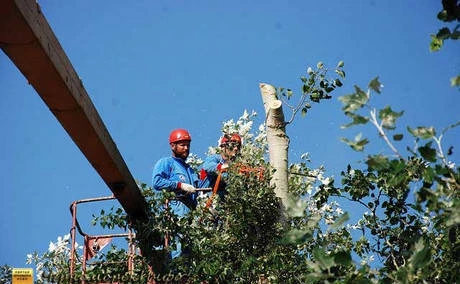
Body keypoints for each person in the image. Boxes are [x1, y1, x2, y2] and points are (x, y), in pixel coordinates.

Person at [151, 128, 199, 258]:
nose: (186, 148)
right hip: (176, 207)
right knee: (177, 246)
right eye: (182, 145)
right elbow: (157, 182)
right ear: (173, 146)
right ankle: (174, 275)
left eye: (188, 145)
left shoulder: (190, 170)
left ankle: (184, 276)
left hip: (190, 212)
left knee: (189, 251)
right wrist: (179, 185)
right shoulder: (166, 163)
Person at [200, 133, 242, 203]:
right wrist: (222, 166)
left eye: (238, 146)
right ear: (223, 147)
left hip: (223, 204)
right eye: (233, 145)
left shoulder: (236, 165)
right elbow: (207, 167)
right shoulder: (215, 158)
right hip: (207, 200)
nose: (236, 148)